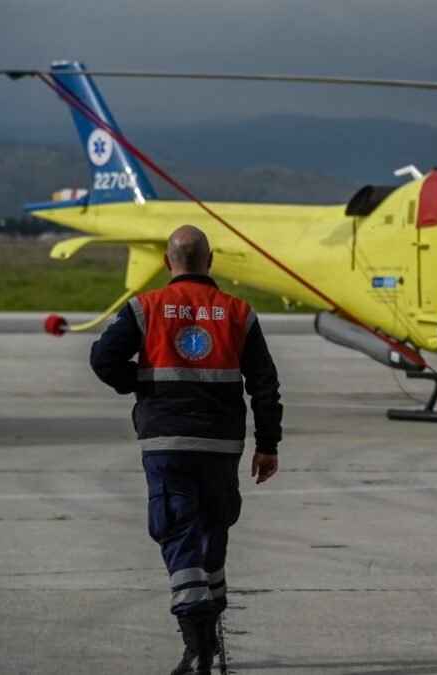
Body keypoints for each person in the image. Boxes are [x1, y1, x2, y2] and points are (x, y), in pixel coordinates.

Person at [90, 225, 282, 674]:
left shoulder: (145, 307)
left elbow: (103, 358)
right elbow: (265, 386)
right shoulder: (239, 312)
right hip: (221, 447)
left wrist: (136, 383)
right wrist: (268, 445)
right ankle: (207, 640)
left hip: (167, 443)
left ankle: (197, 649)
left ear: (166, 262)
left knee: (179, 538)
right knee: (212, 541)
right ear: (210, 262)